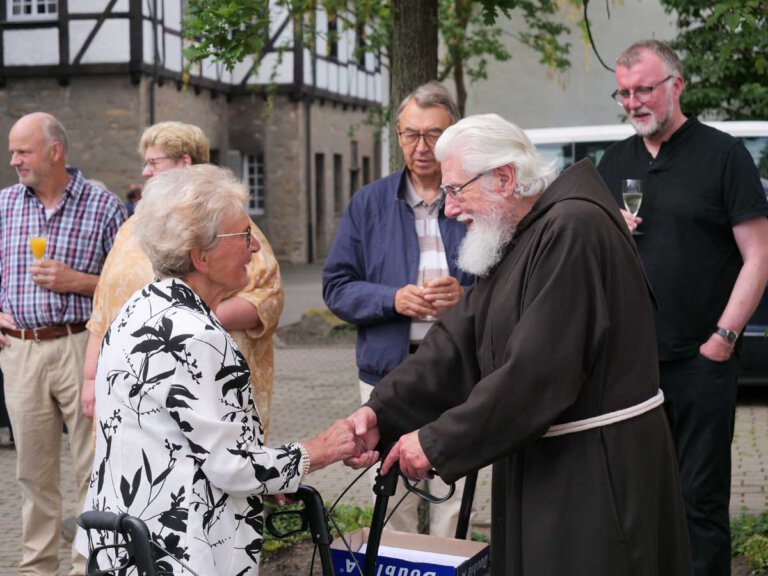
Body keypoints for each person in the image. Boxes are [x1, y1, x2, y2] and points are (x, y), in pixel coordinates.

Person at [345, 113, 693, 574]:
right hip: (552, 461)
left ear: (504, 178)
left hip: (596, 474)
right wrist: (380, 412)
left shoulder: (573, 229)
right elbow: (460, 339)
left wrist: (435, 442)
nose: (449, 209)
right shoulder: (524, 231)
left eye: (455, 190)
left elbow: (537, 372)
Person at [76, 165, 375, 575]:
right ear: (201, 254)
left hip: (127, 542)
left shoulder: (140, 309)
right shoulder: (196, 333)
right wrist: (319, 450)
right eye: (244, 235)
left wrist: (272, 478)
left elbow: (185, 441)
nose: (254, 247)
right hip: (180, 550)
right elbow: (233, 466)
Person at [597, 40, 768, 576]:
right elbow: (594, 260)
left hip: (701, 361)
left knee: (700, 502)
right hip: (632, 365)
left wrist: (724, 339)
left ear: (676, 84)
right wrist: (610, 234)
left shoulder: (722, 154)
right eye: (623, 92)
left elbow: (759, 256)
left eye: (643, 88)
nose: (633, 102)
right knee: (639, 503)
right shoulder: (615, 161)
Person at [322, 81, 474, 536]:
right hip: (388, 375)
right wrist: (392, 299)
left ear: (453, 135)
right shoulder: (369, 203)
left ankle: (453, 564)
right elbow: (336, 287)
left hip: (457, 370)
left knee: (454, 492)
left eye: (433, 135)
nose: (421, 147)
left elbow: (508, 281)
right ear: (398, 134)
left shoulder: (472, 197)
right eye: (410, 134)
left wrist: (465, 297)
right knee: (392, 496)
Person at [82, 121, 284, 440]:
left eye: (154, 162)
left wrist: (187, 326)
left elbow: (267, 298)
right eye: (145, 163)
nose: (145, 172)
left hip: (204, 377)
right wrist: (91, 378)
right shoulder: (132, 227)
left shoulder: (232, 227)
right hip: (132, 383)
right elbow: (103, 308)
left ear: (184, 163)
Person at [0, 112, 127, 575]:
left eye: (23, 151)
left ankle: (87, 565)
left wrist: (78, 281)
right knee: (32, 471)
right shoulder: (5, 205)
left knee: (91, 466)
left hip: (82, 347)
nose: (14, 160)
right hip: (19, 352)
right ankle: (37, 567)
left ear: (55, 152)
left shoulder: (104, 206)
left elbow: (128, 285)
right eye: (13, 151)